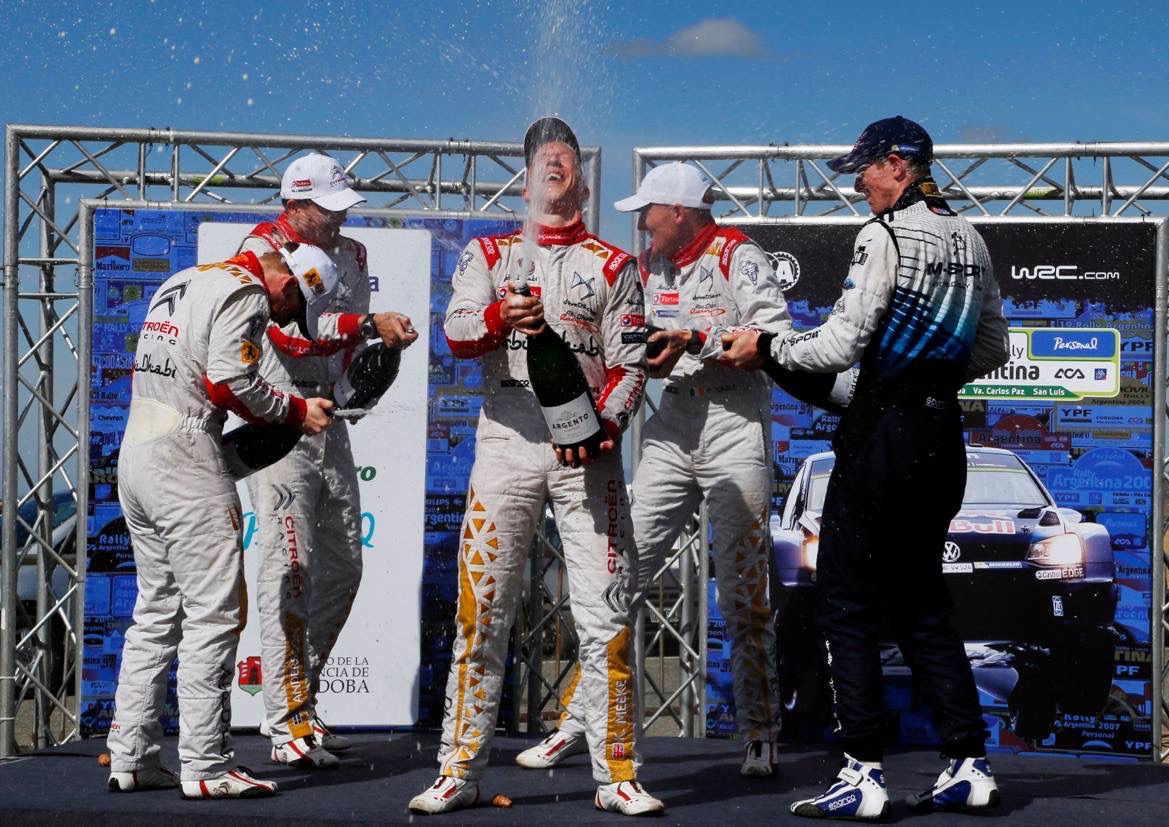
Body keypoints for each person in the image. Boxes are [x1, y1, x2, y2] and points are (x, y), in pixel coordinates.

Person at [724, 116, 1011, 820]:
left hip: (884, 434)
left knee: (845, 602)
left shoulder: (883, 235)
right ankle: (968, 764)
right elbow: (993, 349)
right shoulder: (970, 237)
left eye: (866, 168)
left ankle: (862, 772)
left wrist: (766, 346)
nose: (858, 182)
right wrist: (931, 373)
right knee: (921, 603)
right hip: (942, 436)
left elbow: (837, 347)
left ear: (900, 166)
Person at [407, 117, 662, 817]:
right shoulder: (488, 252)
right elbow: (456, 331)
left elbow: (632, 365)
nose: (554, 158)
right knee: (481, 614)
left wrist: (604, 428)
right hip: (506, 441)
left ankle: (617, 774)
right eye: (541, 155)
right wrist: (500, 317)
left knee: (606, 614)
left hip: (587, 455)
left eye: (566, 154)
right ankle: (459, 769)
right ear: (524, 183)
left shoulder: (614, 264)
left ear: (583, 180)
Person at [516, 162, 789, 778]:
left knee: (742, 589)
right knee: (620, 576)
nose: (640, 222)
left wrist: (695, 338)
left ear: (681, 211)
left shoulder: (739, 256)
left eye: (648, 211)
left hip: (734, 423)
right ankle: (582, 722)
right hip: (672, 423)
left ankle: (761, 732)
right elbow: (635, 340)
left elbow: (773, 336)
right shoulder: (646, 266)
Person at [107, 243, 339, 799]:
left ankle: (131, 756)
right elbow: (229, 381)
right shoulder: (248, 292)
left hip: (136, 453)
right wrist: (295, 410)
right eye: (295, 308)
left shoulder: (184, 278)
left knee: (155, 611)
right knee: (214, 615)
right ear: (291, 284)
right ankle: (206, 765)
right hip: (185, 457)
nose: (286, 320)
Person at [238, 153, 417, 769]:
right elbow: (290, 335)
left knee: (344, 565)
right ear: (294, 203)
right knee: (288, 567)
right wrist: (369, 324)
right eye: (328, 209)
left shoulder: (355, 254)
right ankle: (284, 718)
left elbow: (344, 343)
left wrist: (373, 365)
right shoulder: (261, 251)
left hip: (330, 417)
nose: (340, 219)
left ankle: (302, 702)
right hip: (279, 413)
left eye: (344, 208)